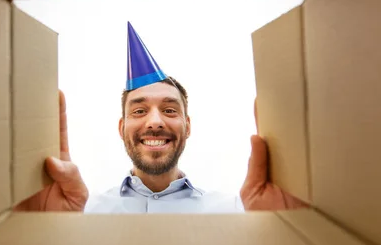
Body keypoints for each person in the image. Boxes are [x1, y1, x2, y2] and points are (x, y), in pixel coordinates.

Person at [15, 23, 307, 213]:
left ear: (188, 126)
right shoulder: (83, 213)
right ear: (121, 127)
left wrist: (280, 237)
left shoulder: (234, 212)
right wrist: (45, 237)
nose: (155, 122)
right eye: (139, 111)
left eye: (169, 110)